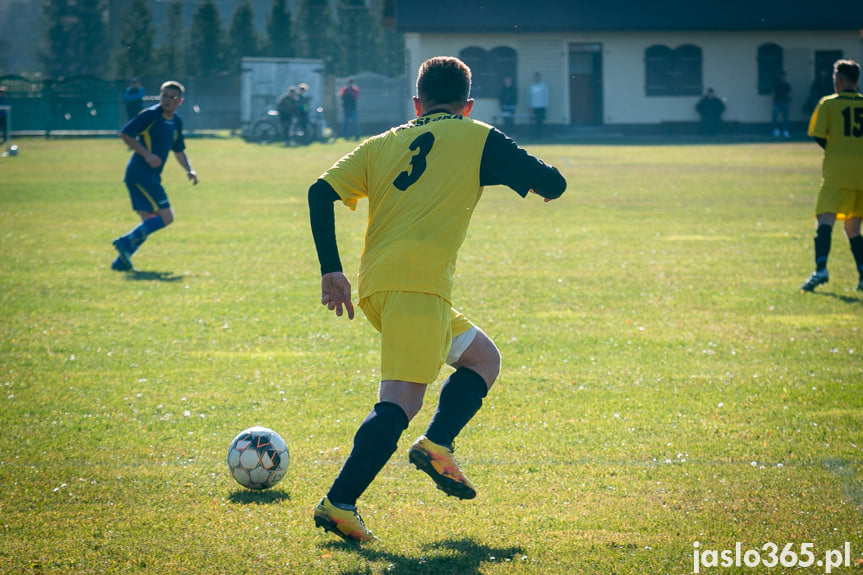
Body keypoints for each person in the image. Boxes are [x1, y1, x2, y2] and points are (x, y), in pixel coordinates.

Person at [308, 56, 567, 543]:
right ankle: (339, 503)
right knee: (401, 402)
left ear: (416, 102)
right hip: (417, 287)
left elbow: (319, 193)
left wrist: (330, 269)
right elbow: (553, 184)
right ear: (468, 105)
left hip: (380, 286)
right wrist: (495, 169)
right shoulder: (478, 137)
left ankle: (438, 444)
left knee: (482, 359)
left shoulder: (383, 143)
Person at [111, 81, 198, 272]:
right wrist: (147, 154)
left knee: (150, 221)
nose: (167, 100)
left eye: (172, 97)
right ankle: (125, 243)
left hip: (149, 176)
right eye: (164, 95)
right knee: (167, 218)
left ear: (180, 101)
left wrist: (189, 170)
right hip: (140, 173)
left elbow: (179, 150)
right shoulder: (150, 115)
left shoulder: (176, 122)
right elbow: (125, 133)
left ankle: (120, 262)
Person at [799, 59, 863, 292]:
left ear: (839, 80)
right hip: (861, 175)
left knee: (825, 219)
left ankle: (821, 269)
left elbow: (817, 134)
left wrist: (836, 149)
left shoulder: (828, 104)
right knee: (853, 227)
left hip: (838, 173)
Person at [529, 72, 549, 139]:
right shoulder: (531, 86)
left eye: (538, 77)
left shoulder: (543, 86)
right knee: (533, 121)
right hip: (533, 107)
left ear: (539, 78)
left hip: (541, 107)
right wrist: (530, 106)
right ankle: (534, 136)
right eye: (535, 77)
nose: (536, 78)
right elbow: (529, 96)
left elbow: (546, 96)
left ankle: (540, 136)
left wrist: (545, 105)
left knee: (540, 122)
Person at [772, 70, 792, 138]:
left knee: (785, 117)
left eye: (783, 76)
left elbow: (789, 95)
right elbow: (773, 94)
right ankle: (776, 130)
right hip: (777, 102)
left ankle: (785, 131)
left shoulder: (787, 85)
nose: (782, 77)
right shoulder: (776, 84)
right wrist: (773, 102)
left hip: (785, 102)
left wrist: (789, 103)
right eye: (781, 76)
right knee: (775, 116)